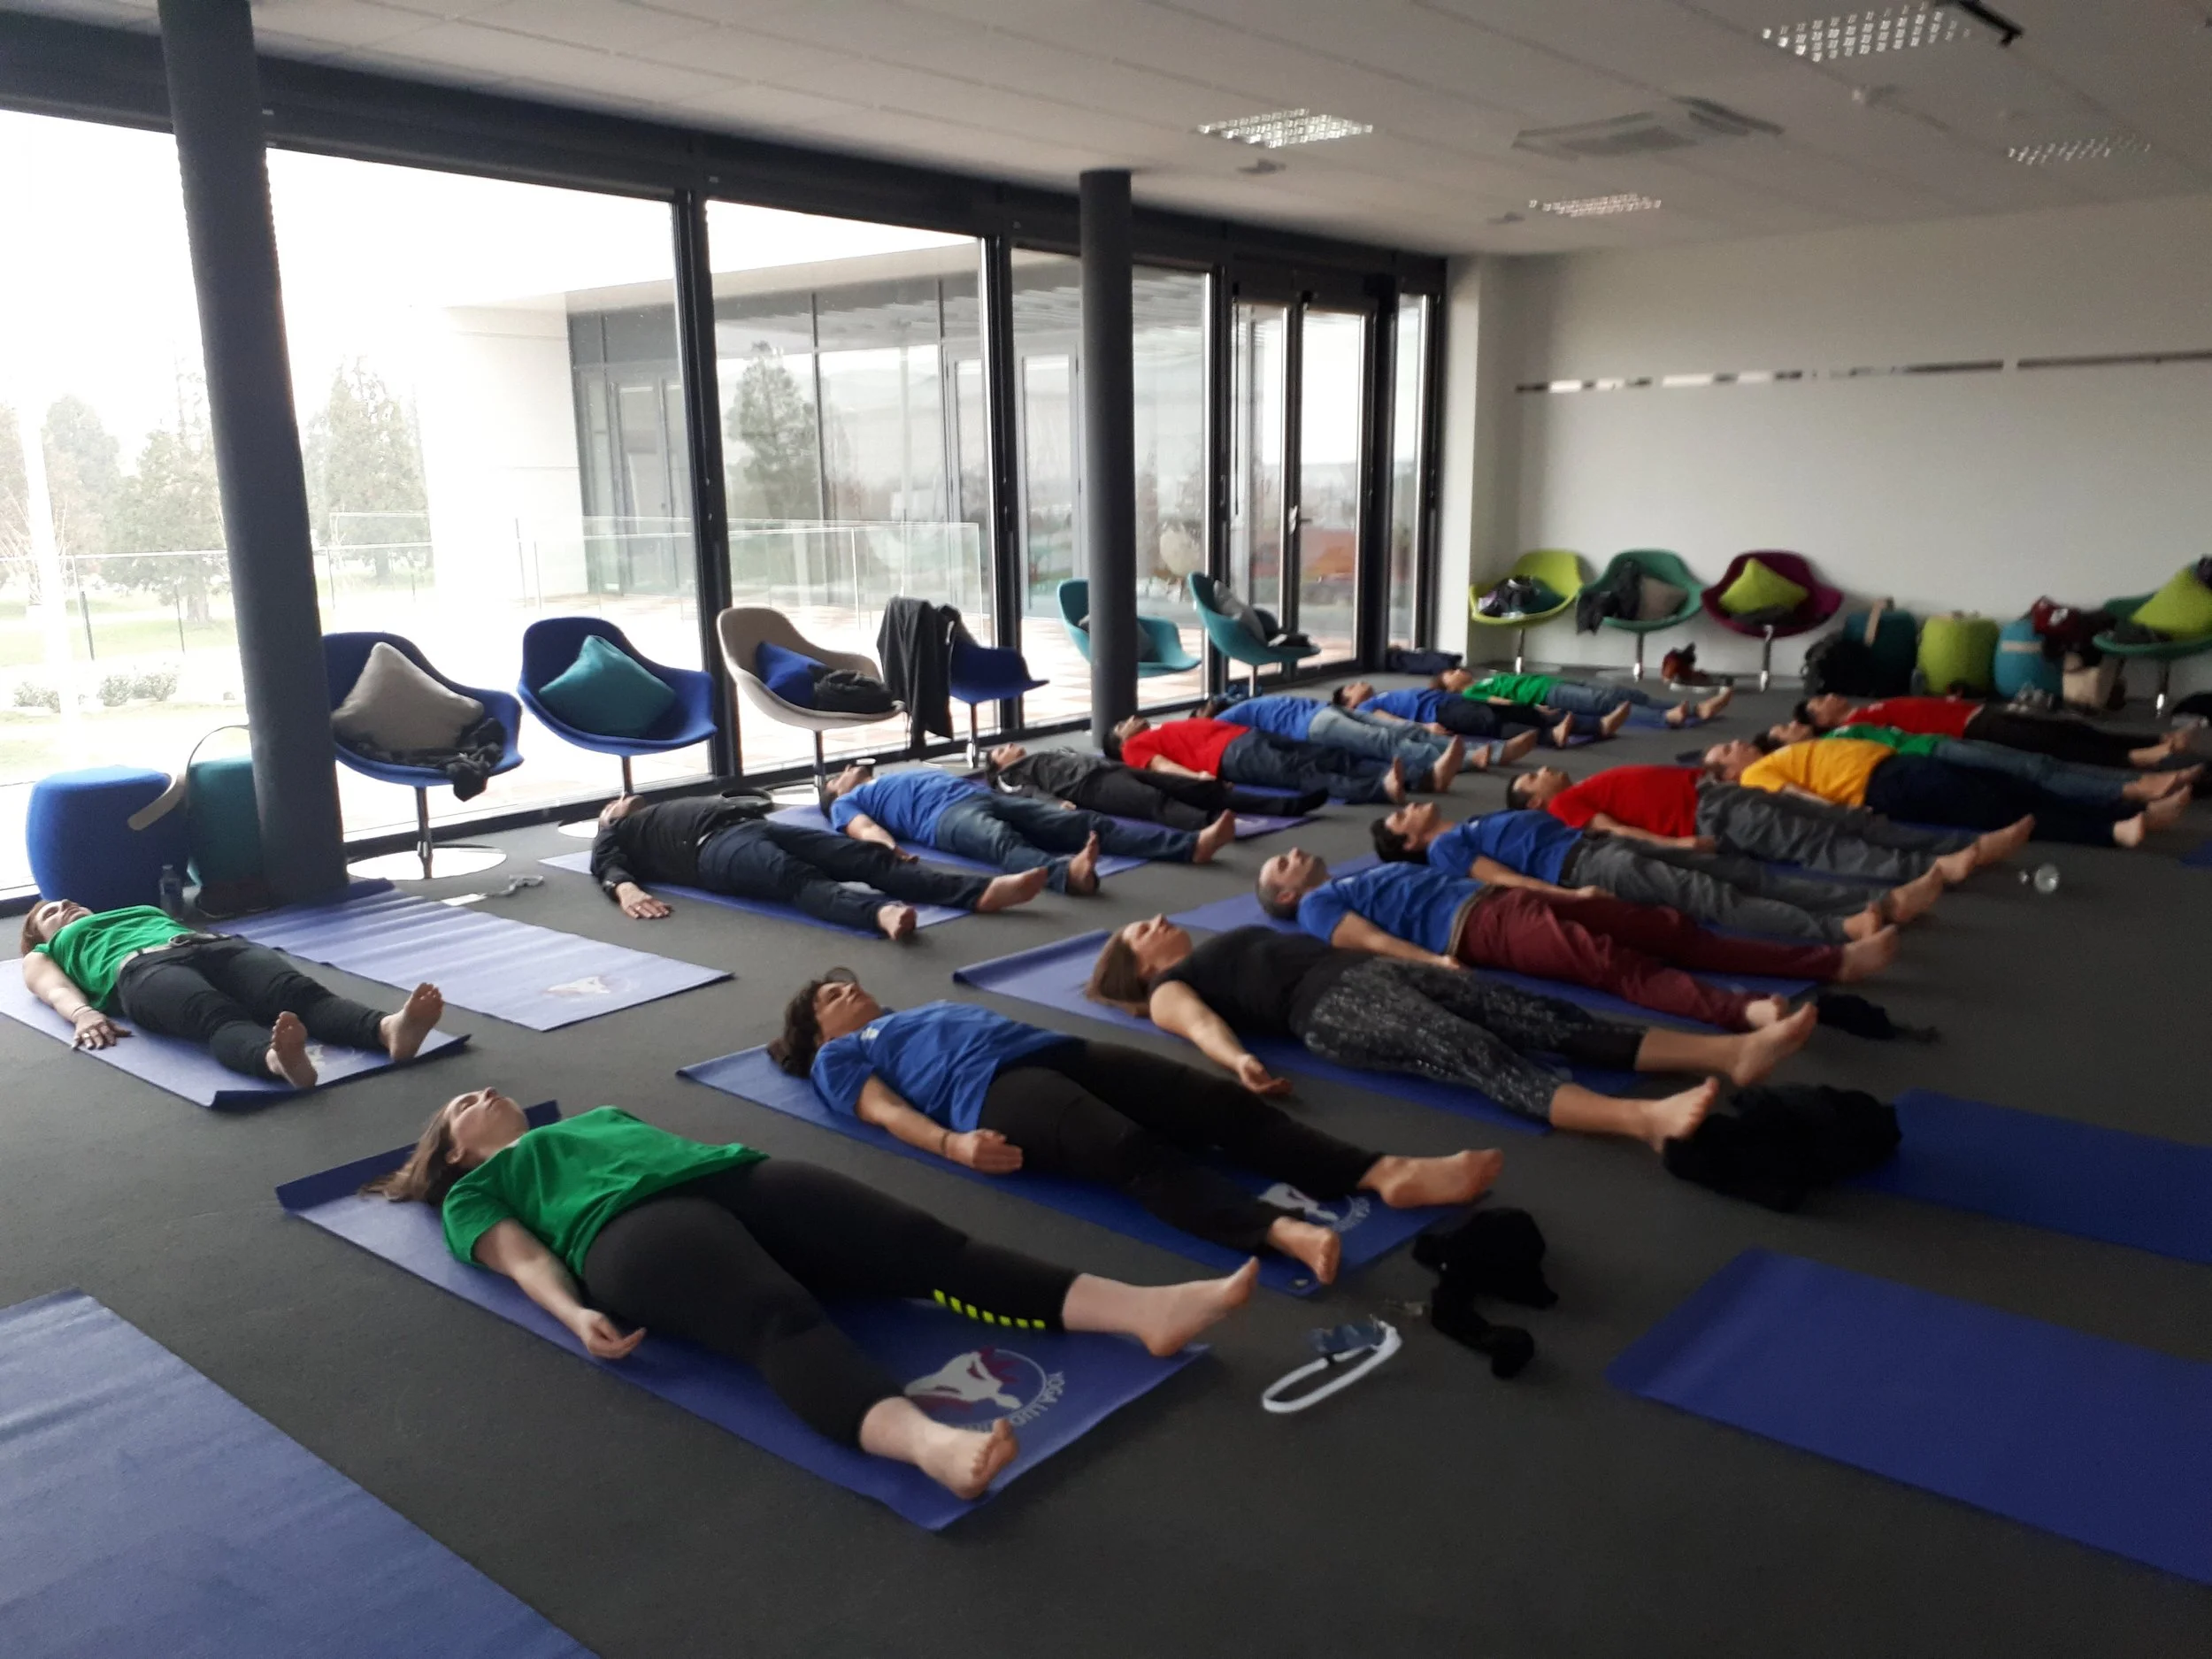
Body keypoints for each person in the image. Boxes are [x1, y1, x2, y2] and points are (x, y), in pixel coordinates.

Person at [365, 1089, 1256, 1501]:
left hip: (736, 1180)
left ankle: (1145, 1310)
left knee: (925, 1247)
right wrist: (574, 1312)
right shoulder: (478, 1192)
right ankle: (931, 1448)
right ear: (453, 1152)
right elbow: (523, 1261)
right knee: (776, 1317)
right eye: (459, 1106)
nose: (481, 1093)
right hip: (627, 1238)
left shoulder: (596, 1117)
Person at [772, 972, 1505, 1287]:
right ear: (816, 1033)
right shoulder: (841, 1056)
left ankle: (1383, 1171)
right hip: (990, 1093)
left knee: (1213, 1103)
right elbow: (882, 1110)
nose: (846, 987)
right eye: (828, 997)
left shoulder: (908, 1013)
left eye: (843, 981)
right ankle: (1281, 1233)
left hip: (1051, 1051)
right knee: (1127, 1150)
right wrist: (950, 1143)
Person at [1088, 918, 1824, 1150]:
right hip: (1329, 1011)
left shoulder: (1211, 942)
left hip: (1359, 971)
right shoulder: (1164, 991)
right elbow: (1200, 1025)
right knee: (1482, 1054)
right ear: (1140, 962)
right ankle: (1643, 1121)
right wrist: (1241, 1060)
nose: (1155, 922)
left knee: (1547, 1018)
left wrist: (1425, 961)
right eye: (1140, 930)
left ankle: (1732, 1051)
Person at [1254, 849, 1895, 1032]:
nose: (1289, 854)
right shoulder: (1317, 904)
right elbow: (1360, 937)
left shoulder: (1363, 871)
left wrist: (1563, 894)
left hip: (1507, 901)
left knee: (1674, 929)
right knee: (1611, 965)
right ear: (1286, 896)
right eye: (1279, 866)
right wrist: (1433, 961)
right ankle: (1740, 1009)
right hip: (1480, 928)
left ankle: (1832, 960)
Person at [1370, 800, 1941, 943]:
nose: (1412, 805)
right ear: (1409, 839)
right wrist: (1569, 896)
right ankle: (1838, 931)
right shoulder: (1446, 849)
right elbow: (1502, 880)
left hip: (1597, 844)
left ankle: (1864, 903)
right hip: (1585, 865)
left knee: (1737, 871)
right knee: (1709, 894)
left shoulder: (1468, 821)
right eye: (1403, 813)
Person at [19, 897, 443, 1086]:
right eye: (52, 914)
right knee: (214, 1016)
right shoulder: (45, 952)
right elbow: (53, 989)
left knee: (298, 993)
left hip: (213, 947)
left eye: (68, 902)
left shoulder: (132, 909)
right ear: (40, 935)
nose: (65, 908)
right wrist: (83, 1014)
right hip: (141, 968)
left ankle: (388, 1030)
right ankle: (278, 1060)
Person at [590, 794, 1048, 941]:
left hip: (755, 824)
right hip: (713, 852)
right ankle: (879, 915)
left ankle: (979, 893)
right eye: (619, 802)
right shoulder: (617, 830)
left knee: (862, 857)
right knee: (796, 878)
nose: (629, 799)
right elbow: (605, 863)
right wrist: (624, 888)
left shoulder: (669, 805)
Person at [1506, 764, 2008, 883]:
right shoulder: (1561, 808)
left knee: (1842, 818)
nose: (1546, 770)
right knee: (1816, 843)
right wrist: (1679, 843)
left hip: (1713, 792)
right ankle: (1932, 867)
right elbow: (1612, 830)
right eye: (1534, 776)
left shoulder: (1577, 786)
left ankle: (1959, 844)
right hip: (1709, 814)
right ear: (1533, 803)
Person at [1705, 736, 2183, 849]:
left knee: (2008, 786)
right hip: (1885, 786)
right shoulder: (1753, 778)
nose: (1738, 744)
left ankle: (2123, 807)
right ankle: (2113, 831)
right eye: (1728, 749)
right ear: (1727, 772)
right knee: (1996, 811)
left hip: (1895, 766)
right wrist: (1847, 817)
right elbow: (1795, 797)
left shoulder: (1771, 753)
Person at [825, 764, 1234, 895]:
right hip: (945, 819)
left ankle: (1190, 846)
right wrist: (890, 850)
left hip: (978, 795)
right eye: (834, 778)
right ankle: (1066, 876)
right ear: (833, 795)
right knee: (1003, 843)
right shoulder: (845, 804)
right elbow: (864, 829)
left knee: (1081, 824)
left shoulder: (885, 778)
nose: (844, 772)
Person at [1764, 717, 2196, 809]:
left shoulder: (1839, 732)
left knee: (2038, 764)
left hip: (1931, 744)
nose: (1792, 727)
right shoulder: (1819, 751)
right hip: (1924, 758)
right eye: (1784, 731)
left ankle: (2134, 784)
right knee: (2031, 774)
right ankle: (2134, 789)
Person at [1794, 692, 2200, 772]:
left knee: (2071, 729)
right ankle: (2136, 757)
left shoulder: (1866, 705)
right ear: (1824, 722)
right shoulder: (1852, 727)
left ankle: (2154, 741)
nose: (1828, 696)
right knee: (2056, 744)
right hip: (1971, 729)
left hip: (1975, 711)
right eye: (1819, 704)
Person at [984, 744, 1325, 830]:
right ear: (999, 764)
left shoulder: (1047, 751)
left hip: (1109, 769)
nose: (1009, 749)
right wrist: (1054, 803)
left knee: (1194, 788)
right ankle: (1212, 825)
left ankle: (1284, 806)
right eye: (1001, 751)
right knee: (1156, 802)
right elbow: (1025, 793)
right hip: (1088, 787)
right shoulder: (1009, 775)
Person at [1109, 713, 1415, 805]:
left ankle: (1412, 776)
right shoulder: (1132, 750)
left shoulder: (1160, 729)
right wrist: (1199, 780)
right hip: (1229, 754)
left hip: (1242, 736)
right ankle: (1381, 789)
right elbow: (1162, 768)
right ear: (1121, 740)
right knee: (1301, 772)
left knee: (1325, 755)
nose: (1132, 718)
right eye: (1124, 723)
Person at [1205, 690, 1474, 782]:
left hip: (1317, 721)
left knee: (1387, 739)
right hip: (1322, 715)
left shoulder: (1225, 719)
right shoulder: (1245, 708)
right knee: (1393, 735)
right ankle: (1471, 755)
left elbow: (1221, 740)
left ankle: (1470, 757)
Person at [1440, 667, 1733, 728]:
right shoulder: (1470, 691)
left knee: (1622, 692)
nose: (1457, 670)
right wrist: (1531, 707)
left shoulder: (1484, 676)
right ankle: (1665, 718)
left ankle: (1696, 708)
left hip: (1553, 681)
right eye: (1450, 674)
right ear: (1450, 688)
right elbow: (1499, 703)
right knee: (1604, 705)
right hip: (1545, 693)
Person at [1333, 679, 1581, 748]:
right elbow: (1389, 721)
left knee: (1511, 708)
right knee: (1492, 723)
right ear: (1350, 705)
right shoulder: (1366, 708)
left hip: (1451, 700)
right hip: (1439, 712)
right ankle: (1549, 737)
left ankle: (1571, 723)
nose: (1359, 684)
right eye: (1352, 688)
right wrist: (1424, 728)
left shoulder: (1381, 696)